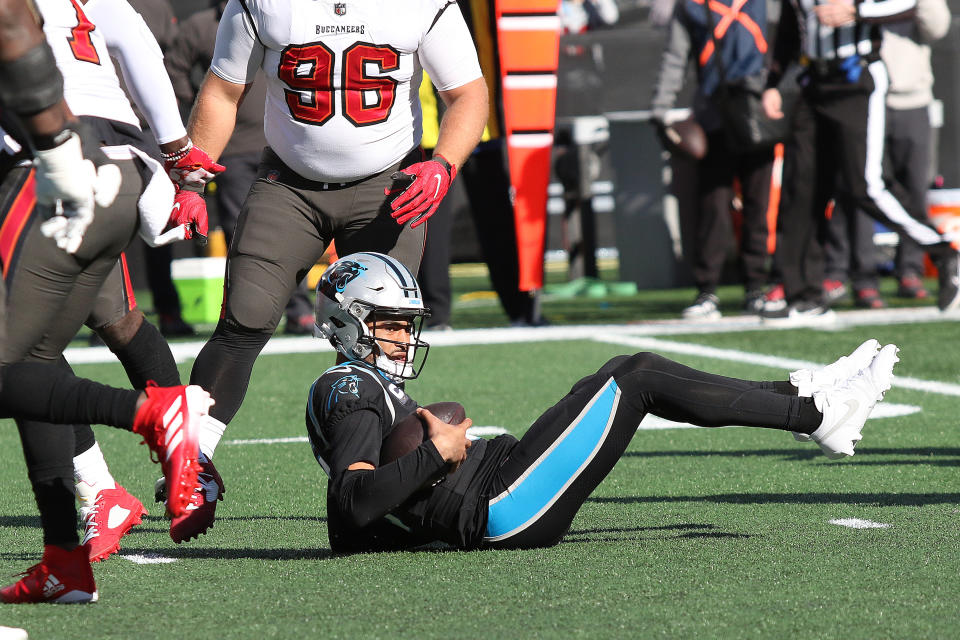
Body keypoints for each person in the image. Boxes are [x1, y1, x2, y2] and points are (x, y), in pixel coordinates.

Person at [306, 252, 898, 552]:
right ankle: (815, 413)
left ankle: (804, 398)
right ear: (346, 324)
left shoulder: (364, 383)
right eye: (391, 324)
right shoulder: (347, 388)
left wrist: (421, 508)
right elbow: (350, 510)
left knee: (621, 373)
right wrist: (435, 455)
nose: (405, 338)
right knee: (635, 377)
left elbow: (367, 515)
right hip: (498, 504)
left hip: (492, 484)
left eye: (408, 325)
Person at [175, 0, 489, 541]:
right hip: (289, 184)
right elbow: (224, 90)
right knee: (245, 317)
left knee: (384, 335)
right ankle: (191, 467)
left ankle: (378, 479)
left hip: (386, 182)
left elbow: (467, 94)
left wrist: (443, 164)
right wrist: (190, 178)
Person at [0, 0, 213, 603]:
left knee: (13, 366)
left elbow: (14, 24)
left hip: (51, 165)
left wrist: (59, 156)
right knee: (33, 363)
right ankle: (66, 560)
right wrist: (175, 156)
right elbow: (140, 52)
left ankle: (152, 416)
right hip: (118, 162)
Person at [760, 0, 960, 322]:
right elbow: (789, 28)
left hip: (857, 80)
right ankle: (804, 294)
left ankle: (943, 252)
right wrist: (772, 82)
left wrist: (857, 11)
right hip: (813, 84)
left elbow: (910, 2)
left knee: (865, 185)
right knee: (802, 189)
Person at [163, 0, 314, 335]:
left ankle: (299, 309)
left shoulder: (283, 14)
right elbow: (172, 69)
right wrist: (196, 102)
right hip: (230, 150)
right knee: (242, 234)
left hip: (277, 144)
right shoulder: (201, 25)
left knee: (288, 230)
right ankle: (248, 312)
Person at [650, 0, 775, 319]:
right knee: (713, 205)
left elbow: (785, 41)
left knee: (758, 204)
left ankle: (756, 287)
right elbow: (675, 57)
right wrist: (661, 106)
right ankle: (707, 290)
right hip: (713, 114)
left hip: (758, 112)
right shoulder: (690, 6)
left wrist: (781, 91)